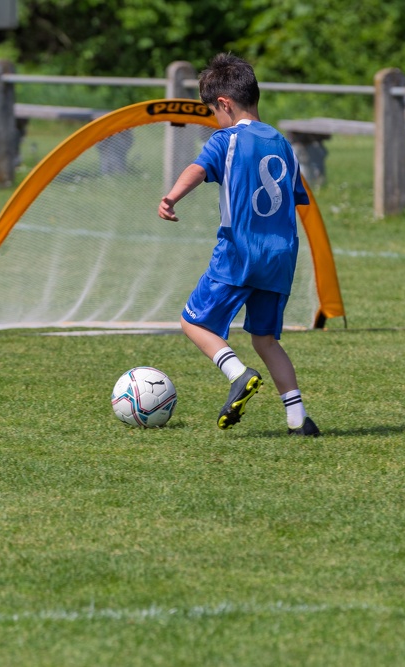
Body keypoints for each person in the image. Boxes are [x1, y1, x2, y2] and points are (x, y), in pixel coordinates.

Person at [158, 53, 319, 437]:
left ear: (225, 104)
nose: (216, 119)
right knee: (264, 337)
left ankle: (237, 373)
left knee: (193, 321)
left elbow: (198, 167)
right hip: (281, 255)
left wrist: (171, 197)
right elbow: (296, 197)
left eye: (214, 111)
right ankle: (299, 419)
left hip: (239, 252)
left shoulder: (227, 139)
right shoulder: (282, 143)